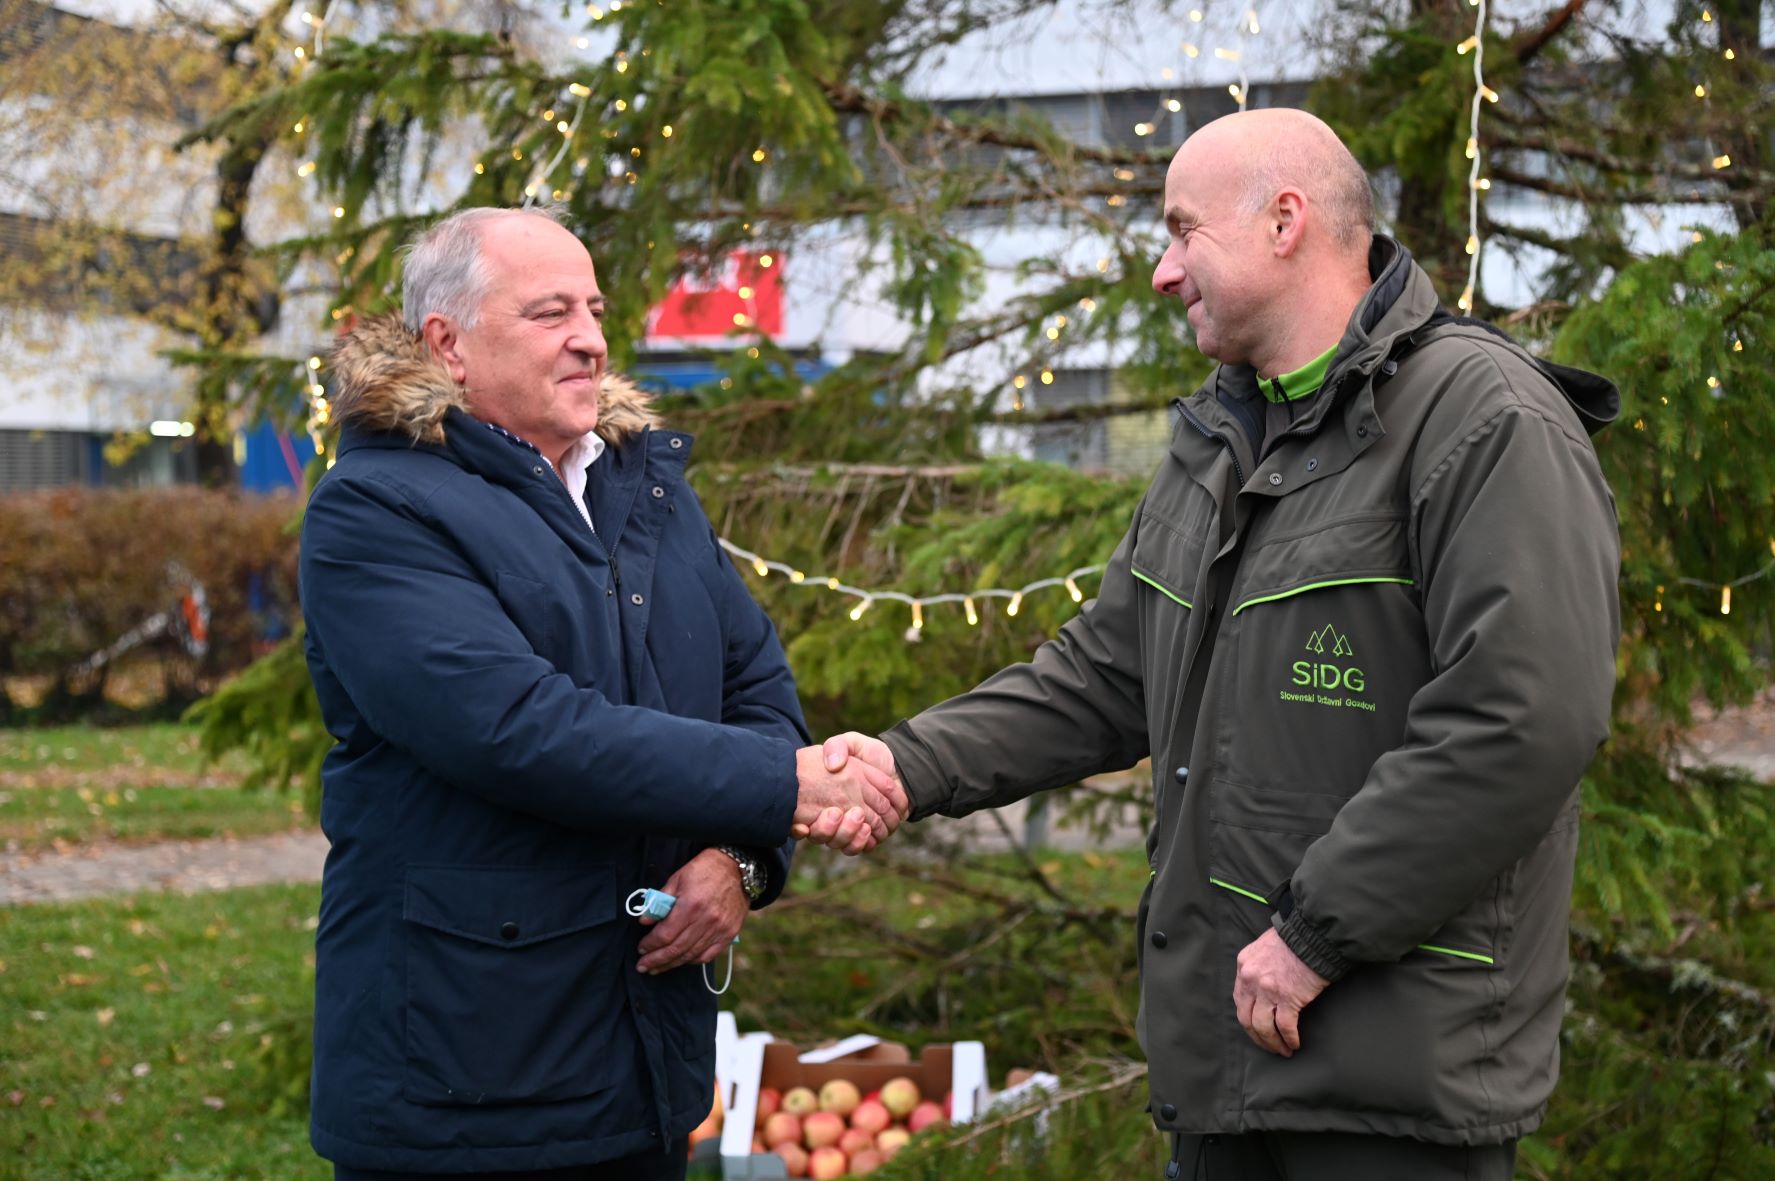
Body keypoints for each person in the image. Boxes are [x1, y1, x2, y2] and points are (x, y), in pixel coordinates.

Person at [810, 109, 1622, 1179]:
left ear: (1284, 220)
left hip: (1387, 1090)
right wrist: (905, 764)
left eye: (1181, 229)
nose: (1160, 269)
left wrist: (1314, 931)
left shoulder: (1481, 419)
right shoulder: (1215, 438)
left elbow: (1519, 718)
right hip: (1225, 1077)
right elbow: (1103, 674)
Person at [299, 206, 906, 1181]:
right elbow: (517, 729)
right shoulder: (377, 510)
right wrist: (789, 786)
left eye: (592, 307)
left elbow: (754, 679)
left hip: (644, 1071)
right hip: (466, 1079)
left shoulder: (643, 488)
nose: (589, 336)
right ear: (447, 343)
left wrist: (742, 855)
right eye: (549, 312)